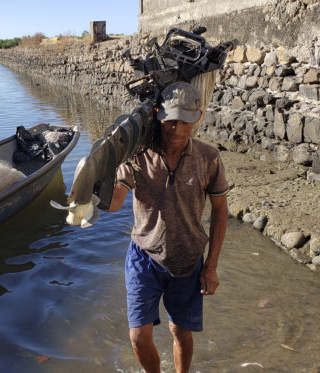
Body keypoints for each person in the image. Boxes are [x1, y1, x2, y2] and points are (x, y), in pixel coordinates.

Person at [106, 81, 230, 373]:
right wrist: (104, 175)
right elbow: (113, 204)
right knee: (138, 337)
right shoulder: (137, 155)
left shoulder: (208, 157)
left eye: (184, 121)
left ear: (198, 117)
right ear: (158, 114)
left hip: (187, 260)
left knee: (180, 332)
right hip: (144, 256)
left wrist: (211, 266)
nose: (176, 128)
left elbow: (220, 209)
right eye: (170, 120)